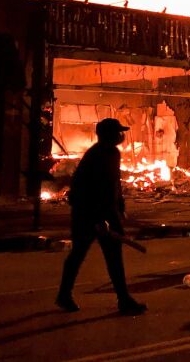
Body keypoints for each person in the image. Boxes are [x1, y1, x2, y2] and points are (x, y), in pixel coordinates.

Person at [56, 118, 147, 315]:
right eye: (117, 132)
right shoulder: (96, 155)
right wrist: (97, 219)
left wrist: (120, 206)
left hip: (108, 213)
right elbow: (84, 189)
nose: (120, 136)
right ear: (108, 135)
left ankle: (123, 299)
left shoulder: (112, 153)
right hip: (88, 214)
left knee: (114, 257)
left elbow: (115, 184)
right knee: (79, 254)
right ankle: (65, 295)